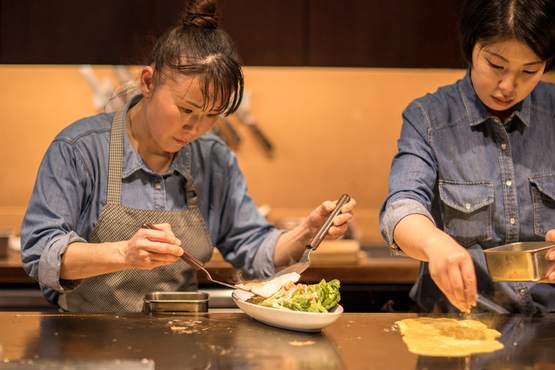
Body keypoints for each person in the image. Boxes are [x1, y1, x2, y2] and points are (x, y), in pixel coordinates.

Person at [20, 0, 356, 313]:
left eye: (212, 115)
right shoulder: (79, 149)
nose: (195, 128)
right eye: (186, 109)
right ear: (148, 82)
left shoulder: (214, 160)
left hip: (181, 336)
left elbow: (253, 249)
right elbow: (41, 253)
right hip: (85, 343)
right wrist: (123, 253)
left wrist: (306, 232)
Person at [379, 0, 555, 314]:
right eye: (495, 65)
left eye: (529, 71)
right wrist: (434, 243)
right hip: (457, 323)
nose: (508, 86)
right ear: (470, 44)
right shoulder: (428, 118)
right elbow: (401, 206)